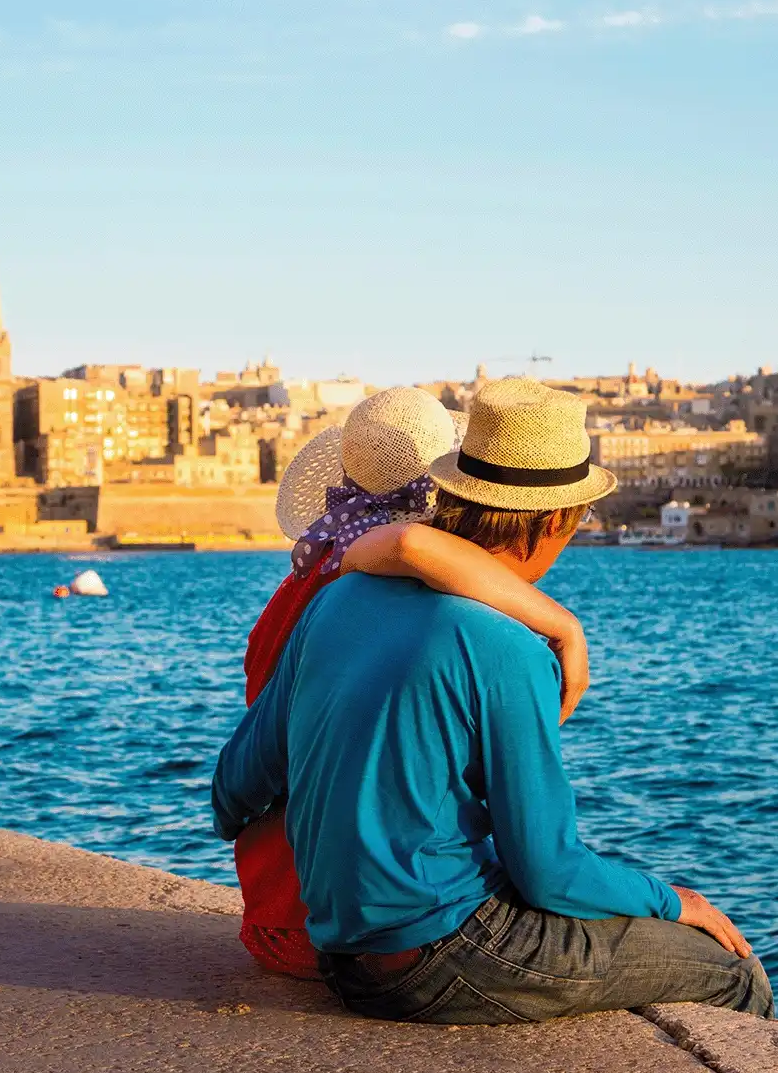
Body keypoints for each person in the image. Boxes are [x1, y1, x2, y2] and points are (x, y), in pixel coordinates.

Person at [214, 377, 772, 1023]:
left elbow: (232, 789)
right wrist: (677, 901)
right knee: (732, 973)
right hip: (439, 957)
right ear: (562, 519)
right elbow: (550, 873)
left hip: (336, 954)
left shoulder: (335, 597)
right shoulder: (510, 647)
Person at [236, 387, 594, 981]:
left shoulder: (305, 584)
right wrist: (561, 624)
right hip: (342, 930)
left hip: (272, 915)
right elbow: (410, 543)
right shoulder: (398, 603)